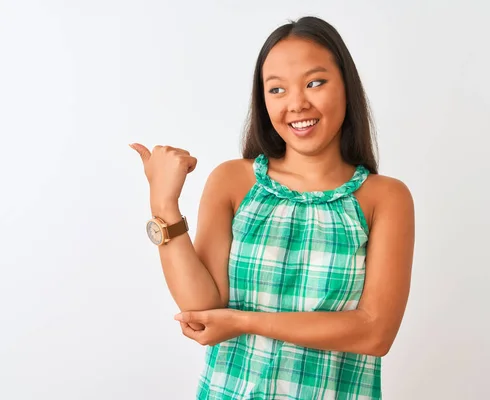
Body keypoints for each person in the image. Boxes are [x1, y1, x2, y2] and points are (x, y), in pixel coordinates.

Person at [130, 15, 414, 400]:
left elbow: (374, 333)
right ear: (263, 101)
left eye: (315, 83)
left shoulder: (385, 198)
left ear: (346, 87)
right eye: (277, 89)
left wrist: (245, 321)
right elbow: (202, 309)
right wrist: (163, 203)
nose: (297, 103)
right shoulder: (233, 181)